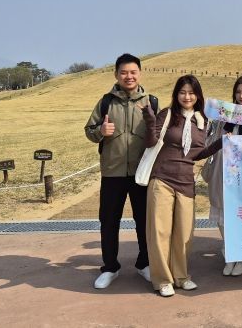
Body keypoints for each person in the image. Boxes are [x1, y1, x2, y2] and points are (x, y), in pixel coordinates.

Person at [141, 74, 217, 297]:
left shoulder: (202, 121)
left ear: (198, 96)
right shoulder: (166, 115)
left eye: (191, 93)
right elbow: (150, 142)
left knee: (184, 234)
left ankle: (181, 276)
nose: (187, 96)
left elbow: (196, 153)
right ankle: (163, 279)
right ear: (176, 95)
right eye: (182, 92)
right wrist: (149, 121)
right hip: (161, 178)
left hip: (186, 181)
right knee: (160, 231)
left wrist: (220, 144)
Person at [84, 53, 154, 289]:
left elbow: (160, 133)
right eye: (124, 72)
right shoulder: (106, 102)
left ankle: (144, 264)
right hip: (112, 173)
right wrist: (100, 131)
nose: (129, 76)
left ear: (140, 73)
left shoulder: (151, 102)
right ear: (116, 74)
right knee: (109, 221)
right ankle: (110, 267)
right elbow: (89, 130)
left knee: (144, 221)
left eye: (133, 72)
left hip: (141, 173)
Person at [205, 75, 242, 276]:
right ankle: (230, 253)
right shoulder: (225, 116)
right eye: (238, 92)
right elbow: (209, 142)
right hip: (222, 171)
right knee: (222, 215)